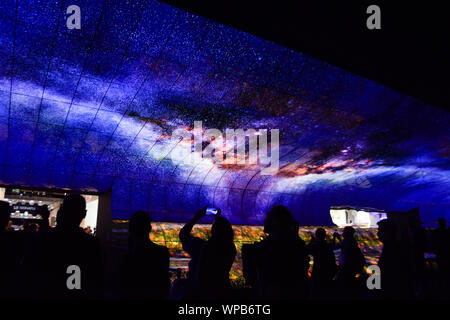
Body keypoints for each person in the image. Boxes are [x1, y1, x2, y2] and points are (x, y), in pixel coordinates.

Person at [21, 194, 103, 299]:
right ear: (84, 214)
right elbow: (95, 281)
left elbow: (29, 272)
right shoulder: (91, 244)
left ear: (61, 212)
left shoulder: (44, 238)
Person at [253, 205, 309, 299]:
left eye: (268, 218)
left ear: (275, 222)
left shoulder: (268, 245)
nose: (265, 221)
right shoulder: (298, 244)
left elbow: (262, 274)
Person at [179, 207, 236, 299]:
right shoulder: (231, 249)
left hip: (199, 292)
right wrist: (218, 220)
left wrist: (196, 217)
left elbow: (183, 235)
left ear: (213, 230)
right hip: (222, 291)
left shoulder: (202, 247)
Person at [119, 210, 170, 299]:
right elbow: (165, 285)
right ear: (149, 228)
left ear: (131, 230)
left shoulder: (125, 257)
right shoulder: (162, 253)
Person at [377, 219, 413, 298]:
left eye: (379, 230)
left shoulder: (391, 249)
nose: (377, 234)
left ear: (387, 232)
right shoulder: (396, 247)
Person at [333, 226, 366, 295]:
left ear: (346, 233)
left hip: (346, 266)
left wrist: (334, 238)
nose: (342, 233)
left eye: (344, 231)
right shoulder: (352, 241)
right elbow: (343, 245)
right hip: (351, 265)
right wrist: (339, 238)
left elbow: (335, 247)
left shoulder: (347, 241)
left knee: (344, 283)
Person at [308, 228, 337, 297]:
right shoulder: (328, 246)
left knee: (315, 292)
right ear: (324, 236)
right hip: (328, 272)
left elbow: (307, 249)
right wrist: (334, 237)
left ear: (316, 236)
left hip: (317, 271)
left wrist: (312, 241)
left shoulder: (314, 246)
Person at [431, 217, 450, 296]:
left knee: (441, 268)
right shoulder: (447, 232)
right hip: (446, 253)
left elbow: (434, 242)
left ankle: (441, 283)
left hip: (439, 252)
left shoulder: (436, 232)